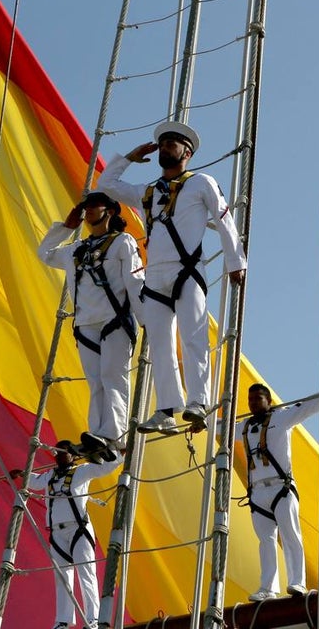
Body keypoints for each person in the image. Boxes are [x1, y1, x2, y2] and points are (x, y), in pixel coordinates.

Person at [97, 121, 247, 435]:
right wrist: (130, 157)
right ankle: (166, 409)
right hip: (155, 277)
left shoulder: (201, 183)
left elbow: (224, 219)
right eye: (162, 144)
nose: (164, 148)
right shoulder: (148, 191)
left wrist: (235, 261)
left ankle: (198, 401)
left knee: (193, 336)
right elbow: (107, 184)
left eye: (171, 144)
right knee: (159, 344)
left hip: (187, 270)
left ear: (187, 152)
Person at [38, 191, 144, 459]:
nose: (89, 211)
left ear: (110, 211)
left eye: (95, 206)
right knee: (96, 382)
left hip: (114, 320)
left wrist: (147, 321)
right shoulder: (76, 249)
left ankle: (115, 435)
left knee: (113, 376)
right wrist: (66, 227)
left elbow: (135, 282)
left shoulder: (122, 242)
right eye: (86, 207)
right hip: (85, 325)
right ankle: (98, 436)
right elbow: (45, 253)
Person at [241, 383, 319, 601]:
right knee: (266, 540)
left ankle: (297, 582)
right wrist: (202, 425)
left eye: (258, 398)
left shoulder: (282, 417)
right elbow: (222, 427)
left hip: (282, 488)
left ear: (268, 400)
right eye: (250, 399)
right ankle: (268, 588)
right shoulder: (245, 427)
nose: (253, 403)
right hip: (258, 493)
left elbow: (306, 406)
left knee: (290, 535)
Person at [11, 441, 122, 629]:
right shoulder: (50, 476)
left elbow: (104, 468)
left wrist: (120, 454)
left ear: (73, 454)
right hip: (57, 532)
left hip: (79, 529)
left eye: (64, 451)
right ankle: (63, 620)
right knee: (62, 576)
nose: (60, 454)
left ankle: (93, 619)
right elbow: (35, 482)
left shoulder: (81, 471)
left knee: (86, 573)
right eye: (57, 452)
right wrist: (22, 474)